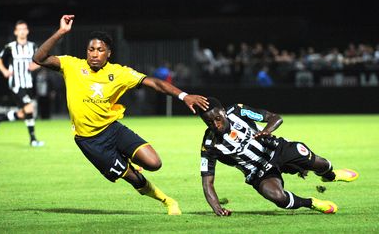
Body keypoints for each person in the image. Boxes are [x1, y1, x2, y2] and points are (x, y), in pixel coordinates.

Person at [32, 15, 209, 215]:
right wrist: (61, 32)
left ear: (108, 53)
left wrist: (184, 96)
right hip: (90, 142)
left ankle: (128, 159)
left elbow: (155, 83)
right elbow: (39, 59)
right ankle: (167, 201)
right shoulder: (71, 65)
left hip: (113, 129)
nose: (94, 54)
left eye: (100, 50)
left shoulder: (119, 73)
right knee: (134, 179)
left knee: (154, 163)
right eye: (91, 49)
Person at [196, 97, 359, 216]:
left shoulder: (238, 111)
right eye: (209, 123)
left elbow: (275, 118)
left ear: (223, 112)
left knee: (320, 164)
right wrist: (216, 207)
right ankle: (311, 203)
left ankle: (331, 176)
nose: (216, 125)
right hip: (258, 171)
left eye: (218, 118)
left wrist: (267, 130)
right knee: (278, 198)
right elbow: (207, 182)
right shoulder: (209, 145)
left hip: (278, 149)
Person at [0, 20, 44, 147]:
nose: (22, 31)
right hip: (16, 84)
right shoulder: (10, 47)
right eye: (19, 29)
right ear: (16, 32)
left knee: (23, 113)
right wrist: (4, 71)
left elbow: (41, 61)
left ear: (27, 31)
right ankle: (33, 140)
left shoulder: (33, 46)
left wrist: (35, 66)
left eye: (24, 28)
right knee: (29, 108)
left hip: (29, 84)